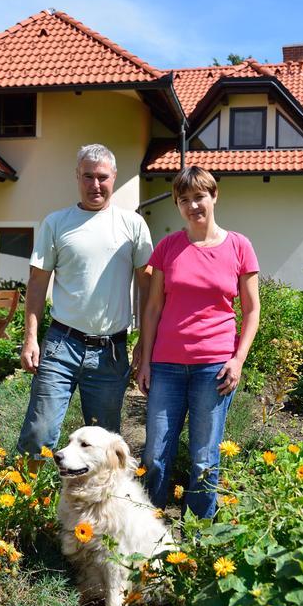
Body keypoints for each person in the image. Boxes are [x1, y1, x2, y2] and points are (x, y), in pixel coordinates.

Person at [137, 166, 260, 519]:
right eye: (184, 199)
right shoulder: (168, 247)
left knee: (205, 456)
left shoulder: (239, 246)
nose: (193, 205)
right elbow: (153, 308)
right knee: (154, 455)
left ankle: (197, 541)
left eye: (199, 197)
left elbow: (252, 311)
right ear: (177, 205)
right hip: (166, 366)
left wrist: (238, 360)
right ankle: (151, 533)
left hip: (214, 367)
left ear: (214, 196)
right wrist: (145, 360)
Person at [17, 143, 152, 459]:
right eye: (88, 176)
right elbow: (37, 285)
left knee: (103, 448)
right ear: (77, 177)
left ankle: (94, 507)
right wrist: (30, 339)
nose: (95, 185)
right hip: (61, 345)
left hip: (110, 353)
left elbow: (149, 289)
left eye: (102, 177)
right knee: (39, 435)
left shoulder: (133, 225)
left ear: (114, 178)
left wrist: (145, 343)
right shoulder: (56, 223)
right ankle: (27, 504)